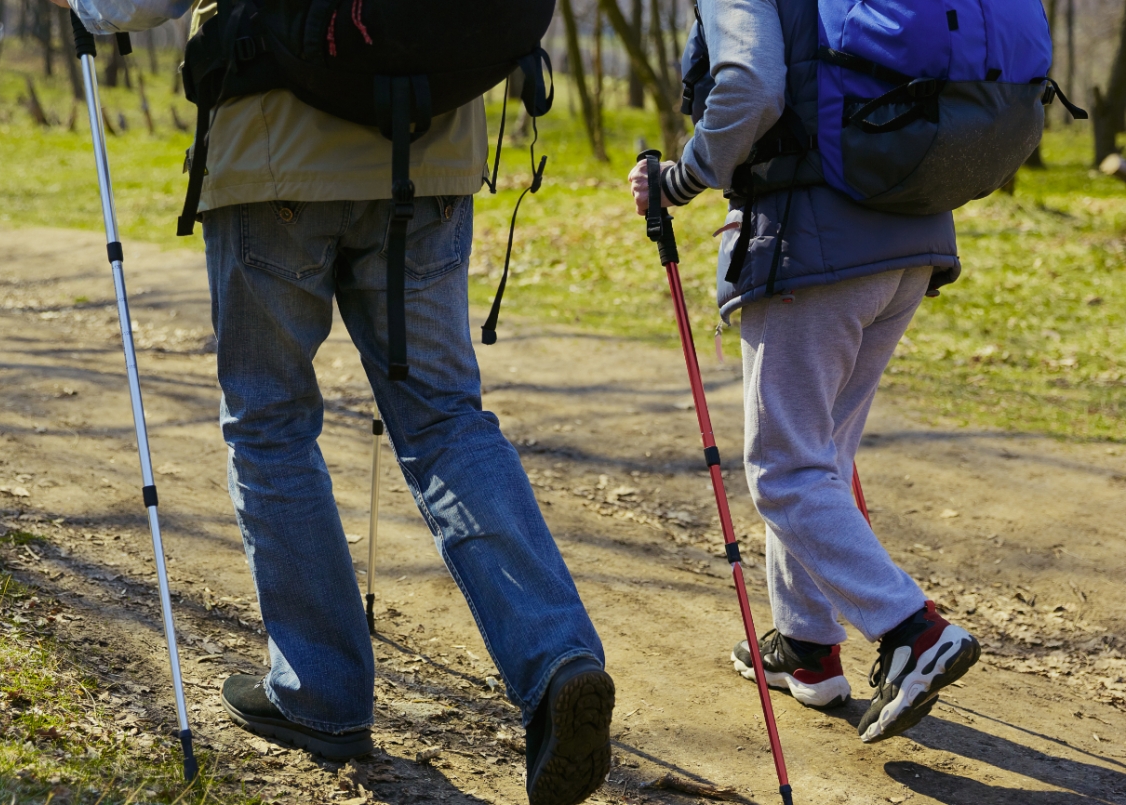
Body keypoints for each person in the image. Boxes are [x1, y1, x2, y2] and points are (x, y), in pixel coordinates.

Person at [57, 0, 614, 800]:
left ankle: (320, 693)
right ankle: (559, 659)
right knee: (446, 420)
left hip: (274, 154)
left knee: (271, 423)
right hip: (431, 148)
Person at [628, 0, 980, 743]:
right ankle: (807, 647)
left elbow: (752, 88)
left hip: (814, 243)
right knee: (821, 454)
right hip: (912, 236)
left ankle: (913, 631)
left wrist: (680, 180)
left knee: (784, 470)